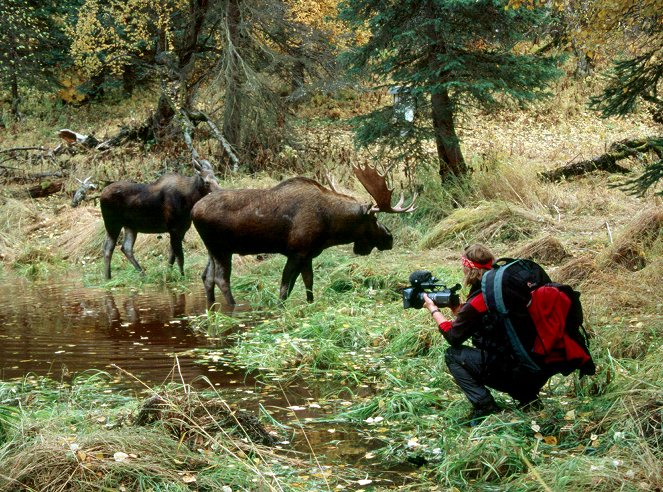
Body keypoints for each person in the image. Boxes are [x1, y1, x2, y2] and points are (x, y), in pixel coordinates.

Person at [422, 243, 551, 425]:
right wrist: (460, 311)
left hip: (517, 373)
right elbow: (494, 323)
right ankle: (528, 398)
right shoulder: (505, 289)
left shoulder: (480, 298)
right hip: (539, 368)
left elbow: (453, 337)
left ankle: (485, 407)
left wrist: (434, 310)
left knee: (453, 355)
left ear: (468, 269)